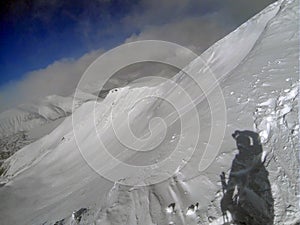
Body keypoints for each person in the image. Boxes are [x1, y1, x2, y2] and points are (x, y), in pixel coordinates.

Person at [221, 130, 274, 225]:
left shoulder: (239, 161)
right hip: (262, 196)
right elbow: (256, 137)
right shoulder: (255, 153)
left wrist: (227, 201)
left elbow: (231, 184)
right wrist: (242, 134)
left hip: (252, 198)